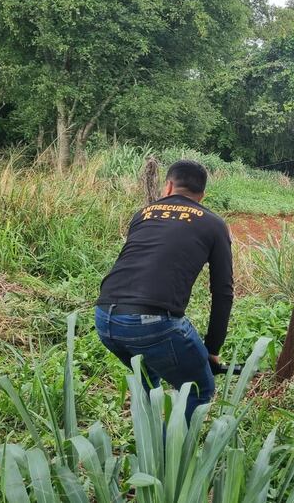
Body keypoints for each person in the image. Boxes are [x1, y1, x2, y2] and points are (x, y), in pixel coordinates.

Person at [94, 160, 233, 422]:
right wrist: (212, 349)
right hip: (153, 324)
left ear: (168, 186)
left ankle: (147, 448)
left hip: (104, 318)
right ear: (202, 195)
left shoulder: (143, 214)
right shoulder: (214, 224)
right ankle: (167, 457)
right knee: (198, 388)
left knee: (148, 377)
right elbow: (223, 292)